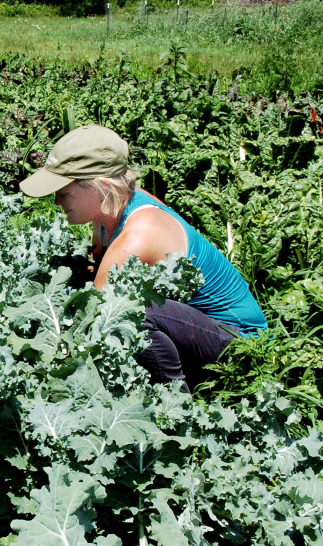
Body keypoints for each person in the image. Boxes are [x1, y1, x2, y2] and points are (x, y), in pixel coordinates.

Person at [19, 125, 267, 390]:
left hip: (242, 344)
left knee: (127, 311)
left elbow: (92, 321)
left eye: (64, 192)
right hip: (200, 328)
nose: (56, 201)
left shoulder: (137, 237)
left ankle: (175, 403)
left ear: (100, 187)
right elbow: (97, 266)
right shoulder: (114, 206)